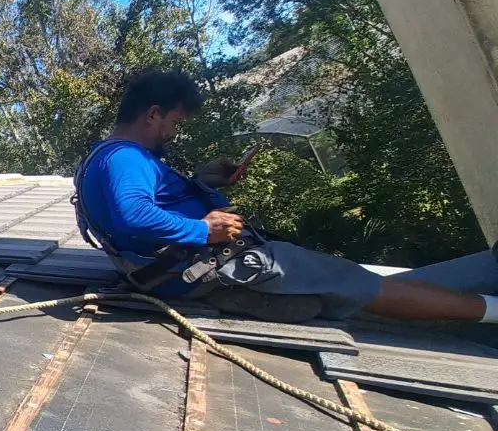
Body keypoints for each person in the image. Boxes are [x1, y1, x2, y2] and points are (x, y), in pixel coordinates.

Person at [74, 70, 498, 324]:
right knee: (358, 285)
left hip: (196, 275)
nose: (175, 131)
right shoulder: (126, 159)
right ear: (152, 113)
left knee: (353, 289)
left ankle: (489, 271)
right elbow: (133, 215)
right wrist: (203, 228)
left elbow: (143, 207)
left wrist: (201, 182)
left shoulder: (107, 157)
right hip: (222, 267)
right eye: (175, 121)